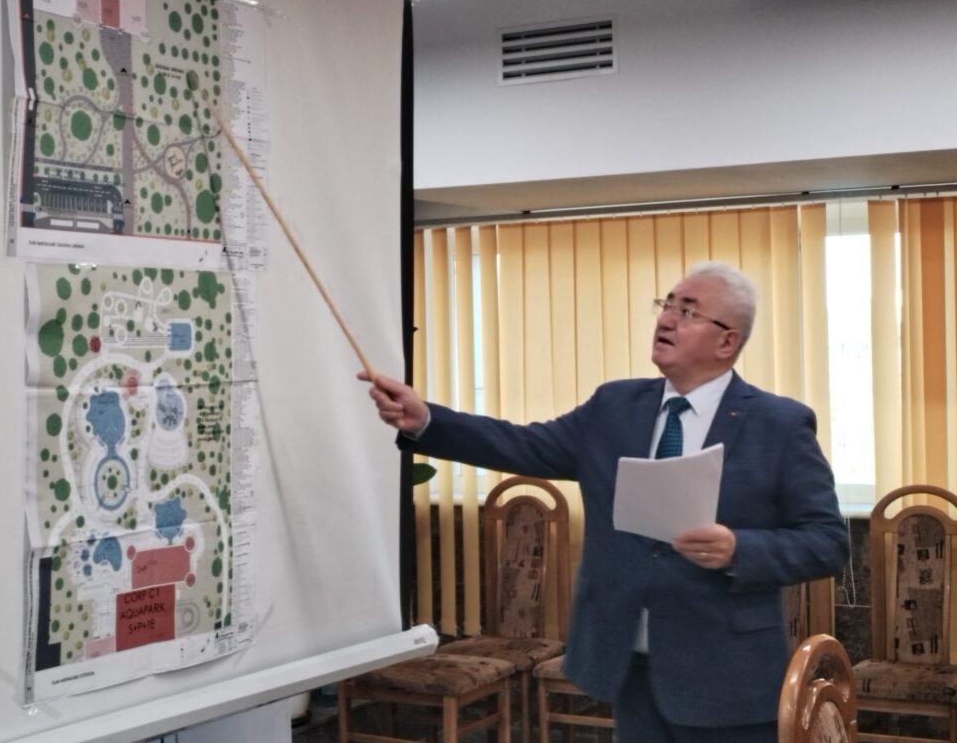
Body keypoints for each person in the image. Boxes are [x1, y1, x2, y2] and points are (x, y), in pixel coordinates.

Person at [360, 261, 848, 743]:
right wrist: (427, 421)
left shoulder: (779, 425)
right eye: (667, 304)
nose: (667, 318)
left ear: (727, 341)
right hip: (630, 666)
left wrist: (738, 550)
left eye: (688, 311)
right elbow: (522, 444)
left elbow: (827, 541)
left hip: (728, 677)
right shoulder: (614, 406)